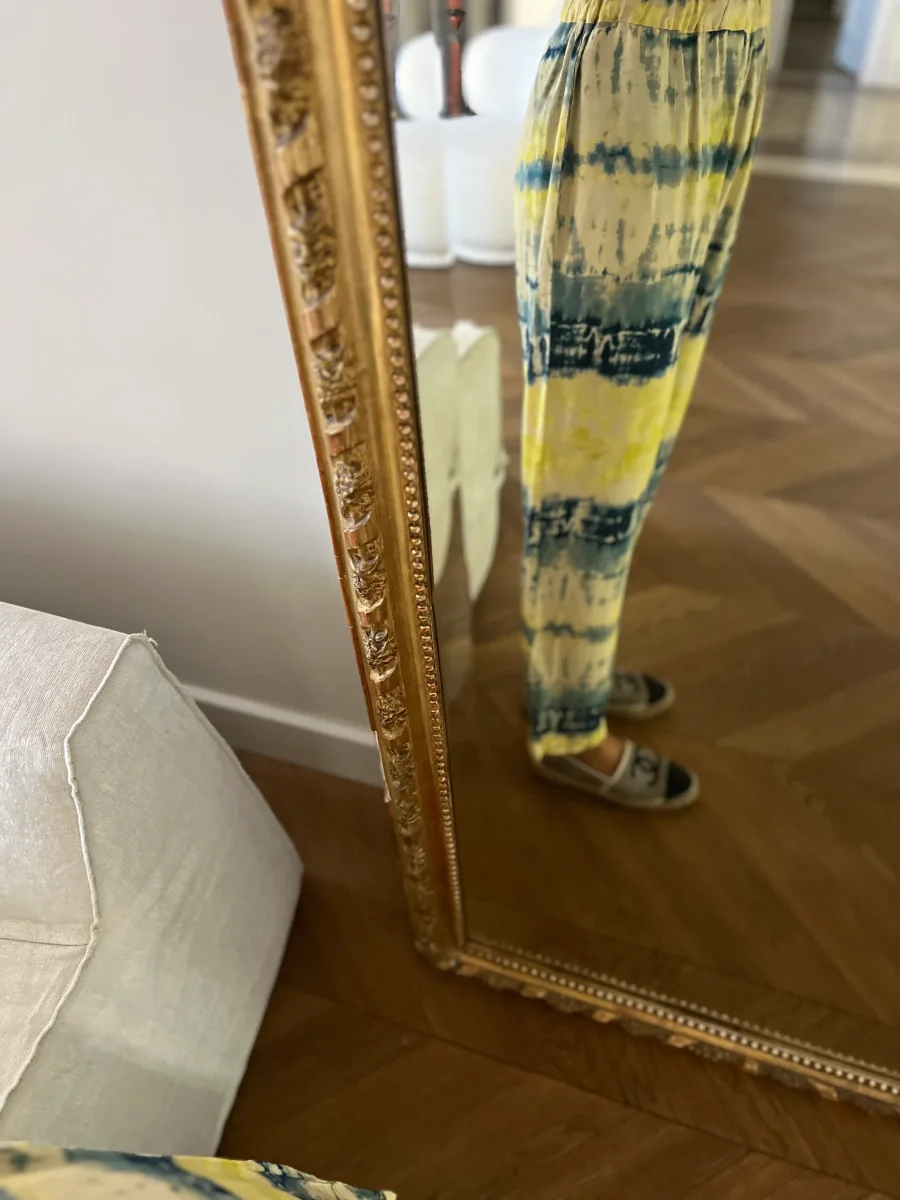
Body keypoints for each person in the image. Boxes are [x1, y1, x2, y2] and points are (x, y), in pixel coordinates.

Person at [515, 0, 770, 810]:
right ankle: (566, 720)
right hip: (630, 68)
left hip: (731, 63)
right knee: (595, 442)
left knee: (646, 425)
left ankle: (571, 659)